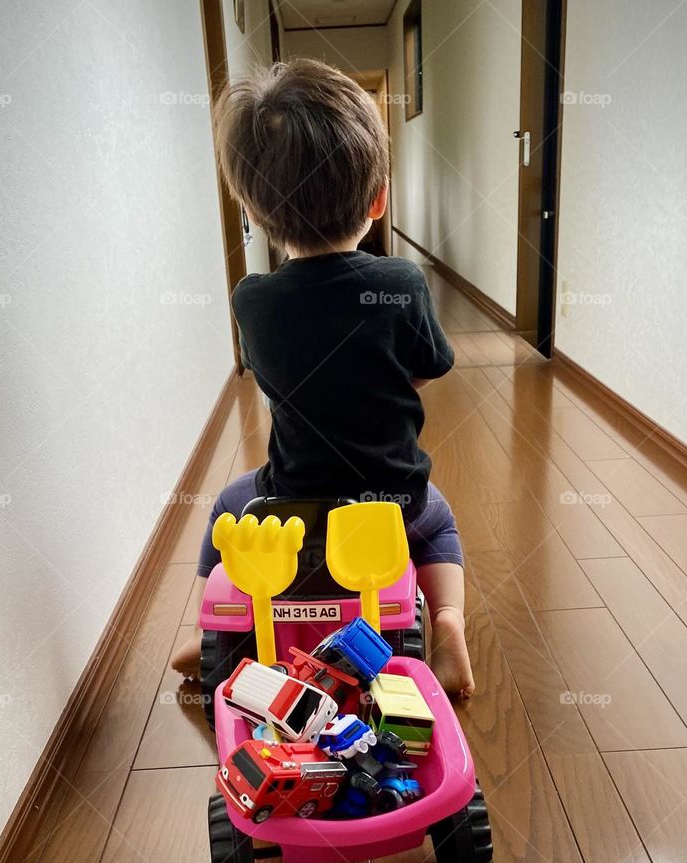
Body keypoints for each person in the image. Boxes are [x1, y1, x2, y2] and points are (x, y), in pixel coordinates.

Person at [171, 58, 474, 697]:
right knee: (442, 522)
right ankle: (447, 621)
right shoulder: (399, 285)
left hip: (290, 511)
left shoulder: (252, 300)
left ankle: (205, 628)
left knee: (226, 507)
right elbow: (425, 370)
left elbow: (274, 377)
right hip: (394, 507)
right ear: (378, 198)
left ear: (250, 209)